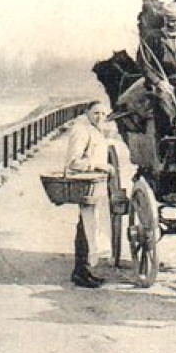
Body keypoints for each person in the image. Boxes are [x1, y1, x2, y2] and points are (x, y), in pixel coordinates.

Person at [64, 104, 116, 288]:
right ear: (87, 113)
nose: (100, 116)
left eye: (103, 113)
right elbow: (73, 162)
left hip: (95, 185)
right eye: (96, 113)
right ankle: (80, 272)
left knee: (89, 226)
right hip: (85, 183)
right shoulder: (81, 131)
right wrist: (98, 165)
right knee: (86, 226)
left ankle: (84, 270)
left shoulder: (96, 130)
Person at [140, 1, 176, 134]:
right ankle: (170, 138)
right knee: (163, 103)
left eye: (175, 20)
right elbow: (145, 64)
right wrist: (158, 82)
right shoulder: (152, 37)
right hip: (164, 81)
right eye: (167, 19)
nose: (170, 24)